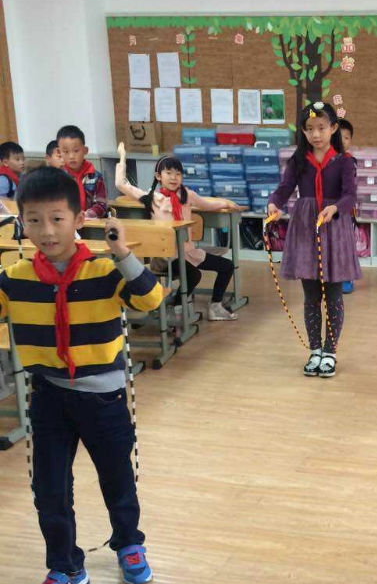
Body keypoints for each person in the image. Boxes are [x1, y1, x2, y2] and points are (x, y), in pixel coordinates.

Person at [0, 167, 164, 584]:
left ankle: (129, 543)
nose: (47, 231)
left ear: (78, 218)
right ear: (21, 221)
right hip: (49, 396)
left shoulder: (105, 270)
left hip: (103, 398)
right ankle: (66, 568)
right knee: (49, 487)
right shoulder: (15, 277)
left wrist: (122, 252)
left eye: (57, 219)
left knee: (117, 476)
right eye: (34, 220)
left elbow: (151, 299)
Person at [267, 101, 360, 377]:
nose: (315, 134)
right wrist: (274, 203)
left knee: (333, 295)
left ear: (333, 128)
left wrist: (336, 208)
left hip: (334, 229)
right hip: (306, 228)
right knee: (310, 296)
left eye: (321, 127)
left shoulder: (345, 162)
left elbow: (350, 196)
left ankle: (330, 352)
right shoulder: (298, 160)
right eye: (309, 129)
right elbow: (285, 188)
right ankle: (315, 350)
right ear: (303, 132)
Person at [115, 144, 243, 321]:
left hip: (189, 253)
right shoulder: (152, 198)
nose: (174, 178)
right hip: (166, 257)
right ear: (158, 176)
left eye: (178, 174)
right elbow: (120, 184)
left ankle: (215, 306)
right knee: (194, 275)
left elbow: (207, 204)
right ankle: (175, 306)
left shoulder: (186, 195)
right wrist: (122, 156)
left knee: (227, 266)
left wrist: (226, 203)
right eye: (168, 173)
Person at [57, 124, 108, 219]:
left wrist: (87, 214)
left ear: (85, 150)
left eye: (76, 151)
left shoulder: (96, 177)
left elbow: (102, 205)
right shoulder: (57, 177)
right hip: (66, 223)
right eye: (66, 152)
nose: (71, 156)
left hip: (91, 224)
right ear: (59, 153)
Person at [338, 118, 356, 294]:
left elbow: (349, 191)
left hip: (345, 212)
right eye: (339, 137)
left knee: (345, 246)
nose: (343, 141)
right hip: (329, 211)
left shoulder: (350, 161)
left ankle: (347, 278)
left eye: (346, 138)